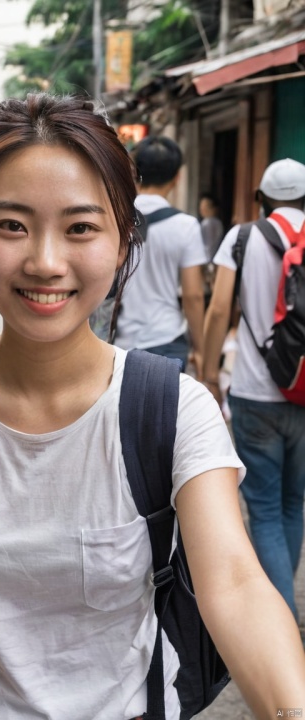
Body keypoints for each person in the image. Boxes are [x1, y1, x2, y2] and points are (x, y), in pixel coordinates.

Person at [0, 96, 305, 720]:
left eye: (80, 227)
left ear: (120, 238)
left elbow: (236, 584)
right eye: (12, 225)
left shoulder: (172, 409)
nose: (45, 263)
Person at [203, 157, 305, 621]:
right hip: (303, 393)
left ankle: (280, 621)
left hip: (253, 392)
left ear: (261, 199)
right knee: (293, 501)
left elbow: (218, 308)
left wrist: (207, 374)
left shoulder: (241, 237)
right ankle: (282, 607)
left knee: (262, 509)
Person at [114, 136, 207, 378]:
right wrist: (200, 348)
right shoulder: (186, 226)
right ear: (177, 177)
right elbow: (193, 295)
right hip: (167, 341)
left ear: (134, 172)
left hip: (117, 341)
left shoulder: (115, 220)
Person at [199, 192, 224, 262]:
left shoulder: (208, 222)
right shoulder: (217, 223)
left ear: (215, 208)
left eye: (206, 207)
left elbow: (208, 247)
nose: (202, 209)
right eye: (201, 206)